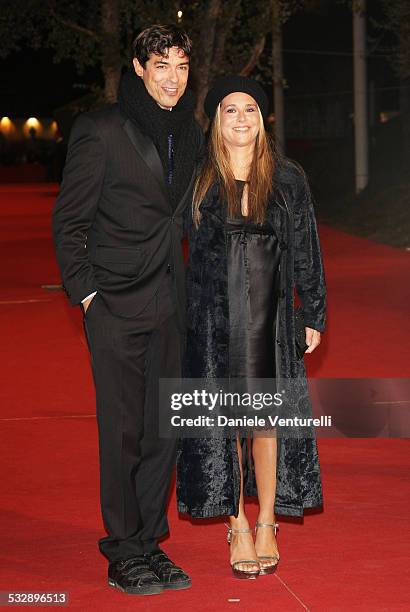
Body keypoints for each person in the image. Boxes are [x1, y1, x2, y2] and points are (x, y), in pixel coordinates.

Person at [52, 24, 203, 596]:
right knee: (123, 432)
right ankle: (122, 550)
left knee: (163, 430)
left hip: (171, 303)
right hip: (115, 303)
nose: (172, 77)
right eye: (161, 65)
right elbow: (69, 223)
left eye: (182, 67)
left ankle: (149, 543)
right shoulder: (101, 128)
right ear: (139, 68)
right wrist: (89, 296)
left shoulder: (187, 133)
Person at [177, 76, 326, 579]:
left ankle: (266, 522)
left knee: (266, 419)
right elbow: (169, 246)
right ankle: (236, 523)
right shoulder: (197, 178)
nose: (240, 118)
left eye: (250, 110)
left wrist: (312, 313)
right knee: (225, 423)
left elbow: (307, 249)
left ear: (262, 121)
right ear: (217, 120)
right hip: (214, 319)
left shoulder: (287, 178)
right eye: (229, 110)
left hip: (273, 317)